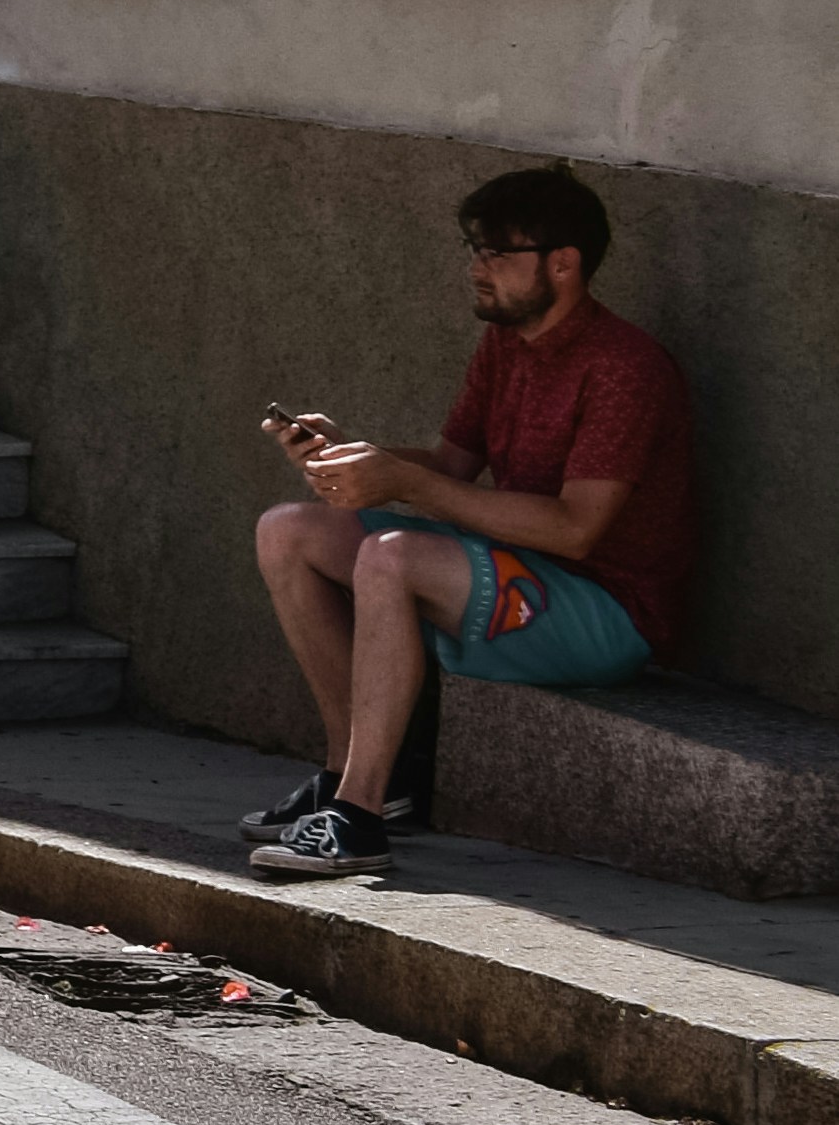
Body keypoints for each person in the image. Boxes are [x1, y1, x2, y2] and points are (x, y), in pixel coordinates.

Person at [242, 165, 694, 879]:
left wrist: (405, 484)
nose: (476, 268)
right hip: (516, 568)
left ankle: (358, 822)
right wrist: (356, 458)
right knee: (288, 529)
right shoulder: (506, 343)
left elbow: (577, 530)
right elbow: (450, 469)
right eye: (474, 249)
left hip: (607, 611)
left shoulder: (623, 368)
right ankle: (351, 779)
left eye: (495, 253)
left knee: (392, 556)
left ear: (563, 263)